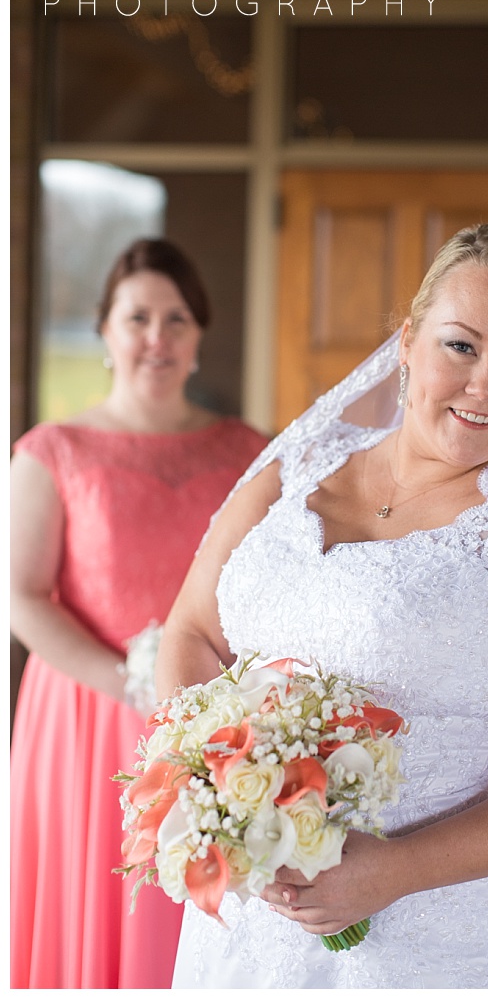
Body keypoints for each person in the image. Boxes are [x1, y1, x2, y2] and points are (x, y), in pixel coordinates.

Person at [156, 224, 488, 987]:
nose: (485, 384)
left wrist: (396, 869)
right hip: (253, 925)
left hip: (462, 940)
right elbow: (194, 629)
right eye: (460, 346)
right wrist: (219, 797)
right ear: (407, 342)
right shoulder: (293, 469)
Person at [10, 238, 267, 988]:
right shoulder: (52, 450)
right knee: (98, 900)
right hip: (90, 715)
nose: (158, 336)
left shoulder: (250, 451)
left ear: (198, 338)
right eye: (139, 317)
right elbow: (20, 593)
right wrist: (126, 678)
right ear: (105, 332)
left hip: (217, 717)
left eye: (177, 319)